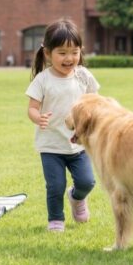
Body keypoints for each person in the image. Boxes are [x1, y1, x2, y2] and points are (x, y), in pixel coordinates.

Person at [25, 19, 98, 233]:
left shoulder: (83, 76)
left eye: (74, 52)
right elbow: (32, 108)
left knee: (87, 182)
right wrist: (38, 118)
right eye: (62, 53)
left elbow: (94, 101)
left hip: (79, 145)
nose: (69, 58)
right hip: (51, 146)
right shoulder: (43, 80)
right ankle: (56, 219)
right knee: (55, 186)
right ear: (48, 53)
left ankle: (76, 197)